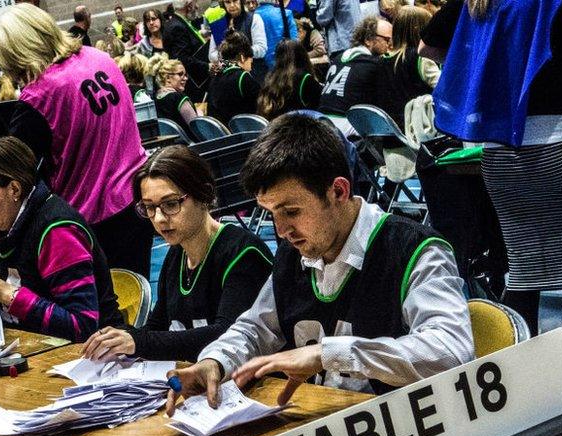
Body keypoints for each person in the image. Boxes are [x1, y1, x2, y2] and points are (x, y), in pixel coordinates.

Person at [164, 114, 473, 413]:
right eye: (271, 212)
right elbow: (255, 329)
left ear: (338, 191)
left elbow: (450, 351)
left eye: (291, 211)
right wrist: (215, 361)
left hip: (403, 432)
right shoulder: (294, 252)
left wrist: (330, 354)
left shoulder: (416, 249)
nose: (281, 230)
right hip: (323, 426)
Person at [423, 0, 562, 333]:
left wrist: (482, 74)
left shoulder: (480, 2)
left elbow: (428, 45)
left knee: (525, 274)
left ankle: (523, 371)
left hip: (501, 158)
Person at [0, 4, 154, 277]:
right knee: (136, 297)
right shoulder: (100, 57)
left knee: (101, 315)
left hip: (92, 223)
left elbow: (10, 169)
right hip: (136, 202)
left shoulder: (40, 96)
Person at [82, 145, 272, 362]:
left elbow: (228, 335)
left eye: (171, 204)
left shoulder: (244, 253)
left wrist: (139, 342)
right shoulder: (176, 254)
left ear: (205, 194)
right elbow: (159, 326)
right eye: (149, 207)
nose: (160, 218)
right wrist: (120, 338)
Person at [0, 137, 122, 342]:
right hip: (33, 347)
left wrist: (9, 295)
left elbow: (82, 325)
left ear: (15, 190)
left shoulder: (57, 230)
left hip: (92, 357)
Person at [319, 16, 392, 133]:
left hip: (322, 123)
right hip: (347, 127)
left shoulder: (338, 58)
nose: (390, 45)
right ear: (368, 39)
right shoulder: (375, 64)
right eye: (386, 40)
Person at [377, 6, 439, 129]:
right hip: (422, 134)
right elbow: (445, 88)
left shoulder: (381, 60)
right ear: (421, 30)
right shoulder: (421, 58)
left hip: (393, 134)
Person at [256, 40, 322, 120]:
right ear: (303, 56)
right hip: (300, 128)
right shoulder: (306, 79)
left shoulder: (270, 78)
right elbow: (320, 104)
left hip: (275, 129)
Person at [207, 32, 262, 125]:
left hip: (222, 135)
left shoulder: (215, 78)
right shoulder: (243, 77)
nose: (252, 61)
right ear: (242, 57)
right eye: (250, 58)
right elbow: (263, 108)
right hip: (244, 135)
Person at [163, 0, 211, 102]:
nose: (197, 7)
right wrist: (208, 66)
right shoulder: (178, 26)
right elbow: (183, 58)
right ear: (189, 6)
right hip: (193, 84)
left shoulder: (176, 22)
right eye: (195, 4)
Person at [207, 0, 267, 79]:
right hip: (230, 78)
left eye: (235, 1)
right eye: (228, 2)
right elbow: (211, 55)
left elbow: (261, 49)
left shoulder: (254, 18)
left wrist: (236, 54)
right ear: (223, 4)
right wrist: (228, 55)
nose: (232, 5)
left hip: (254, 75)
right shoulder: (219, 25)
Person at [149, 55, 200, 136]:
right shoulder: (178, 97)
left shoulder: (154, 99)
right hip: (190, 145)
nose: (185, 78)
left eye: (185, 75)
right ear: (167, 77)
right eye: (180, 74)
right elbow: (197, 127)